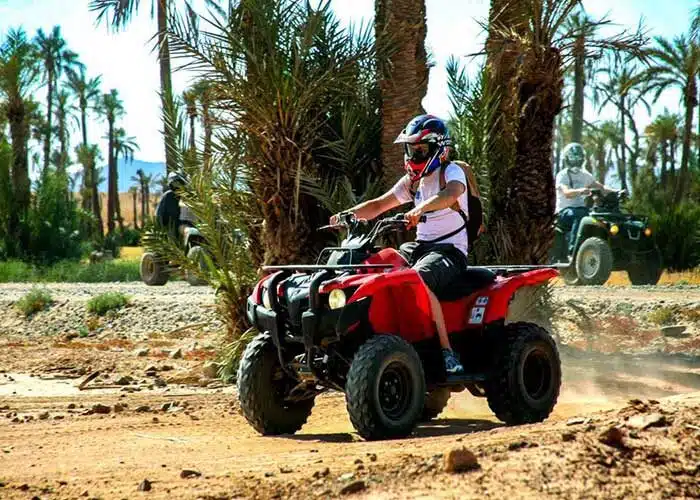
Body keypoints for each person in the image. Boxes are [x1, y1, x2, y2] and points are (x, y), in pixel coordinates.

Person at [330, 114, 469, 375]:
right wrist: (348, 215)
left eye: (420, 150)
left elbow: (450, 194)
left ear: (439, 149)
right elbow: (380, 205)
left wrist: (419, 209)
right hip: (419, 247)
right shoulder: (412, 182)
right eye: (410, 149)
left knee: (418, 279)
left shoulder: (451, 172)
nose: (414, 156)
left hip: (450, 250)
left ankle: (447, 352)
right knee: (375, 265)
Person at [555, 143, 613, 254]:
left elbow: (601, 187)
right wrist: (580, 191)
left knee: (598, 216)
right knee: (580, 216)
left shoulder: (585, 175)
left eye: (579, 157)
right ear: (567, 158)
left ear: (583, 158)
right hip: (564, 212)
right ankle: (573, 250)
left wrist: (616, 192)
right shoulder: (562, 175)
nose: (576, 160)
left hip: (581, 209)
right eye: (573, 157)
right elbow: (567, 193)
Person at [155, 172, 188, 240]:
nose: (177, 186)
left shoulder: (189, 197)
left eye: (179, 183)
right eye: (174, 184)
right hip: (171, 234)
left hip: (188, 232)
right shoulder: (168, 196)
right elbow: (159, 216)